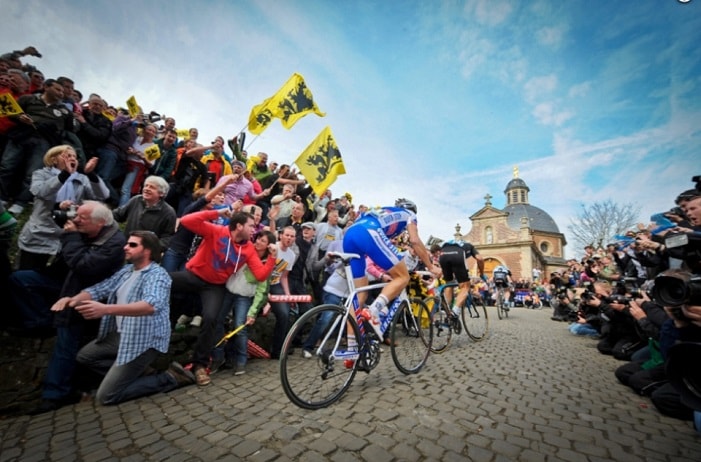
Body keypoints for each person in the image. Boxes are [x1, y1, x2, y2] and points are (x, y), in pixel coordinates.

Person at [54, 230, 194, 405]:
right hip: (120, 335)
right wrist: (73, 299)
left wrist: (106, 309)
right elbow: (100, 289)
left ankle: (170, 378)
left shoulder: (157, 275)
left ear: (148, 251)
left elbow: (151, 305)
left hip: (144, 340)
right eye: (127, 243)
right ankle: (139, 374)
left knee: (105, 397)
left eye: (133, 245)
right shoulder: (127, 271)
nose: (125, 247)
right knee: (85, 357)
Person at [26, 201, 126, 414]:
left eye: (82, 218)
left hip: (87, 297)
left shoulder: (114, 242)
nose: (75, 220)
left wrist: (71, 237)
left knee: (66, 343)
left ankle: (54, 395)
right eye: (76, 215)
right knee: (21, 281)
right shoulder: (85, 232)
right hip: (64, 284)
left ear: (99, 223)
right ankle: (41, 320)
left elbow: (84, 265)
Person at [169, 209, 277, 386]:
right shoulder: (217, 231)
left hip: (214, 286)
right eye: (251, 226)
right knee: (162, 280)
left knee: (211, 318)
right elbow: (187, 220)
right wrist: (217, 212)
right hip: (194, 275)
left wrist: (272, 257)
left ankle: (199, 366)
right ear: (239, 225)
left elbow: (260, 275)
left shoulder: (249, 248)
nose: (254, 231)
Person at [341, 198, 441, 339]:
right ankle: (373, 311)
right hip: (368, 232)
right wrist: (430, 266)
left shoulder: (384, 211)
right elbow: (414, 240)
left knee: (360, 295)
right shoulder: (409, 214)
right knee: (403, 277)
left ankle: (352, 348)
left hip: (350, 235)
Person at [15, 145, 108, 271]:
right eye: (67, 155)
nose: (72, 159)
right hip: (41, 233)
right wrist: (65, 174)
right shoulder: (40, 174)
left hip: (66, 234)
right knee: (26, 274)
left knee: (53, 278)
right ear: (53, 160)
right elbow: (43, 192)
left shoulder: (81, 178)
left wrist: (90, 174)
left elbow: (102, 195)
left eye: (74, 156)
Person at [113, 175, 177, 250]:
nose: (146, 189)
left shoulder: (168, 212)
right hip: (125, 246)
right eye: (146, 186)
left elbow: (168, 237)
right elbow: (118, 215)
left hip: (145, 253)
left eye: (152, 187)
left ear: (161, 193)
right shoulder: (136, 200)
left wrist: (151, 248)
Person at [267, 226, 297, 358]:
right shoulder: (273, 248)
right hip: (263, 282)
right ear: (280, 236)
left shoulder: (291, 255)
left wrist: (288, 295)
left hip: (276, 284)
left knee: (285, 314)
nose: (289, 238)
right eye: (287, 235)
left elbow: (284, 276)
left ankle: (278, 349)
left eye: (292, 236)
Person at [438, 238, 485, 316]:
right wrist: (482, 273)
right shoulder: (469, 246)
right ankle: (455, 311)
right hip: (458, 255)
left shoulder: (451, 242)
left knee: (449, 284)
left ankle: (446, 310)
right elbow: (479, 259)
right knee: (465, 286)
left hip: (443, 254)